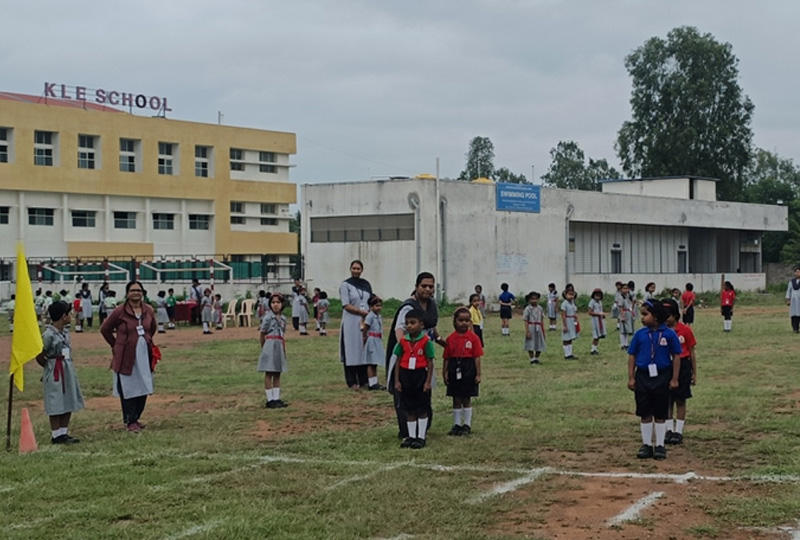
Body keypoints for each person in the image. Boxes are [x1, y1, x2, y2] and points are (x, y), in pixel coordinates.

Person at [386, 272, 446, 439]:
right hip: (407, 359)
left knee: (423, 393)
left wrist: (442, 341)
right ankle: (407, 431)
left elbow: (429, 328)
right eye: (424, 286)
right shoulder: (408, 307)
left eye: (431, 286)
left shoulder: (432, 306)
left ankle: (421, 430)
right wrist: (406, 348)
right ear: (416, 286)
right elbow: (400, 329)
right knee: (406, 394)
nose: (427, 289)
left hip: (422, 359)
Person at [627, 299, 681, 460]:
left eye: (645, 314)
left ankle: (659, 445)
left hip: (662, 376)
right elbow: (632, 355)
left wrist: (674, 378)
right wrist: (631, 377)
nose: (642, 318)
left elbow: (677, 356)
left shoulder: (669, 334)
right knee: (644, 412)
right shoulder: (640, 334)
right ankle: (646, 445)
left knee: (660, 412)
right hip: (643, 375)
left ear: (656, 316)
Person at [101, 281, 157, 433]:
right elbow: (105, 329)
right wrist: (116, 345)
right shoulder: (120, 311)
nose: (136, 293)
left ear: (143, 293)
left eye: (139, 290)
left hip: (144, 354)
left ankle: (137, 417)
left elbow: (152, 328)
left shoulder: (148, 310)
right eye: (132, 290)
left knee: (144, 384)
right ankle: (130, 420)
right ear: (127, 293)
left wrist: (146, 340)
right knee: (129, 387)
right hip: (126, 355)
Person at [36, 301, 84, 444]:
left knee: (68, 397)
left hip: (67, 367)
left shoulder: (65, 333)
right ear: (63, 316)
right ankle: (56, 434)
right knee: (55, 400)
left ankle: (64, 432)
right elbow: (40, 354)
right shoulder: (48, 334)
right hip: (55, 368)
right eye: (68, 314)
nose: (71, 316)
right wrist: (49, 367)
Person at [392, 309, 435, 449]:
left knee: (421, 408)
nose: (409, 326)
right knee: (409, 408)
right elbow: (398, 360)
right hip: (406, 376)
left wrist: (428, 381)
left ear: (421, 325)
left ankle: (421, 437)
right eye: (407, 323)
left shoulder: (426, 341)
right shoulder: (403, 341)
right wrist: (397, 380)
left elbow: (430, 362)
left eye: (412, 323)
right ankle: (411, 436)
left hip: (420, 375)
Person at [661, 298, 697, 445]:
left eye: (668, 316)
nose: (666, 320)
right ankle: (668, 429)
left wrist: (694, 373)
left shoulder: (685, 330)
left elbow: (691, 351)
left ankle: (679, 431)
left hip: (683, 365)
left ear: (675, 315)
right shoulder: (661, 331)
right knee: (667, 399)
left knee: (680, 399)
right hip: (666, 365)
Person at [444, 307, 483, 436]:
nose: (464, 323)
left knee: (466, 398)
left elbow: (477, 357)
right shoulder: (450, 339)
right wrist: (444, 372)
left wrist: (478, 374)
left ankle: (467, 424)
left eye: (467, 320)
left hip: (468, 368)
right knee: (456, 398)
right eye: (461, 320)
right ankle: (456, 424)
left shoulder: (473, 339)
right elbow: (447, 358)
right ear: (454, 321)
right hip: (454, 367)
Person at [340, 260, 372, 389]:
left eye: (358, 269)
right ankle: (352, 380)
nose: (356, 271)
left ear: (362, 270)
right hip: (351, 320)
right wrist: (360, 311)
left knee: (363, 349)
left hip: (365, 320)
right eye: (354, 268)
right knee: (351, 349)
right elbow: (346, 304)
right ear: (350, 269)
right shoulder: (345, 285)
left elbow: (371, 300)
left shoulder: (366, 284)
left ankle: (363, 379)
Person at [259, 293, 288, 409]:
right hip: (270, 344)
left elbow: (283, 334)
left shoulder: (284, 319)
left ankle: (276, 398)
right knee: (269, 372)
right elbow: (262, 333)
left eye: (278, 302)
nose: (275, 305)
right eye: (273, 302)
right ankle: (269, 399)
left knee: (277, 372)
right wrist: (264, 348)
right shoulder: (267, 317)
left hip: (279, 344)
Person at [363, 295, 385, 390]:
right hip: (372, 339)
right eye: (376, 305)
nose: (378, 308)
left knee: (375, 362)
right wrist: (364, 338)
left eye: (380, 305)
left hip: (377, 340)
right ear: (371, 307)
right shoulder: (370, 316)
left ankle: (375, 382)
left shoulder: (379, 316)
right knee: (371, 362)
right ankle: (371, 383)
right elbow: (365, 328)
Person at [523, 291, 546, 364]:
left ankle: (537, 358)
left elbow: (542, 319)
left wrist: (542, 329)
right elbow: (526, 320)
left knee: (539, 342)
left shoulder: (540, 308)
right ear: (529, 300)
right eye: (532, 299)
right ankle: (532, 358)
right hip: (531, 326)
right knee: (531, 343)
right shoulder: (527, 309)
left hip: (538, 327)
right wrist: (527, 331)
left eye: (536, 299)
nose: (534, 301)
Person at [561, 289, 579, 359]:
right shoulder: (564, 304)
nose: (571, 296)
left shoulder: (572, 303)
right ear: (565, 295)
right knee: (566, 338)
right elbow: (563, 315)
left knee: (570, 337)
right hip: (567, 321)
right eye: (569, 294)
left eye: (572, 295)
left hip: (572, 321)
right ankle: (566, 354)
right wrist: (565, 325)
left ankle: (570, 353)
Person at [588, 288, 606, 355]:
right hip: (595, 320)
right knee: (596, 335)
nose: (598, 296)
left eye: (599, 295)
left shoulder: (600, 302)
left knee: (599, 335)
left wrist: (602, 315)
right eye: (596, 295)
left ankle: (595, 349)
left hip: (600, 320)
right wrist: (598, 314)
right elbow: (590, 312)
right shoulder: (592, 302)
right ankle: (592, 350)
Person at [619, 283, 635, 350]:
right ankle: (622, 344)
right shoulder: (621, 297)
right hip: (624, 313)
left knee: (628, 329)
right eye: (624, 288)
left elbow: (631, 306)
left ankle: (626, 344)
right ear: (621, 289)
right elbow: (620, 307)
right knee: (623, 330)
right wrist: (622, 316)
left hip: (629, 313)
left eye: (627, 288)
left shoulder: (628, 296)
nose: (626, 290)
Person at [787, 266, 800, 333]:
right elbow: (789, 291)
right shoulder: (792, 282)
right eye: (796, 272)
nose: (797, 273)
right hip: (794, 301)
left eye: (799, 272)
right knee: (794, 315)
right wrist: (788, 300)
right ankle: (795, 329)